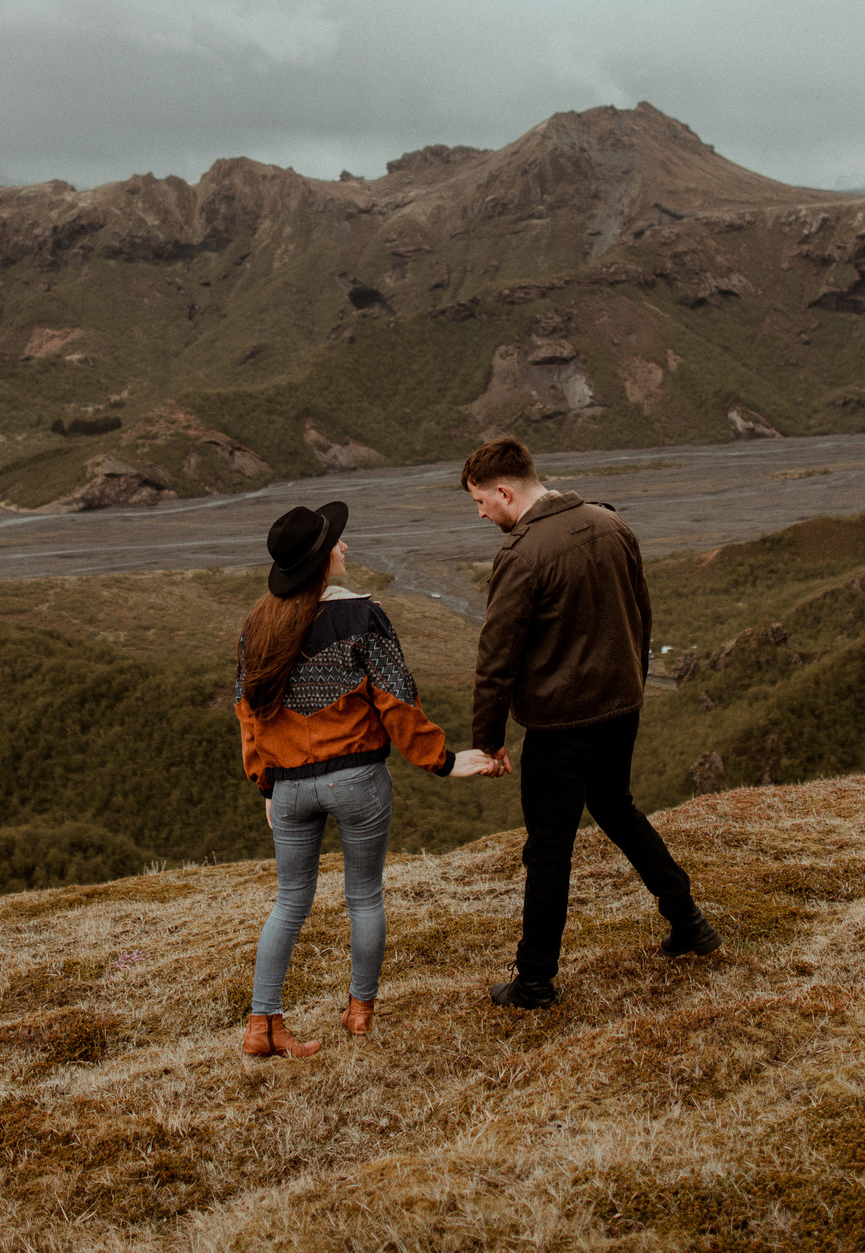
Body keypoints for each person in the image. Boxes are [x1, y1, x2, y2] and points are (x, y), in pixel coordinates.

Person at [235, 500, 501, 1058]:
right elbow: (397, 698)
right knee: (363, 898)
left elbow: (248, 711)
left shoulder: (257, 623)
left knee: (288, 902)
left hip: (288, 785)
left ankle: (263, 1026)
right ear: (320, 560)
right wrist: (443, 760)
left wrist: (266, 781)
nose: (345, 547)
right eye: (337, 543)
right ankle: (359, 1014)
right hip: (356, 780)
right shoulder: (362, 616)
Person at [462, 436, 720, 1009]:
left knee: (549, 851)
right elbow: (641, 612)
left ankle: (534, 982)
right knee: (619, 811)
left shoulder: (522, 555)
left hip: (560, 725)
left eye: (481, 501)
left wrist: (487, 741)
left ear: (505, 491)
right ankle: (690, 924)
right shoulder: (610, 523)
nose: (480, 513)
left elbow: (495, 659)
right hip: (620, 706)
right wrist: (635, 683)